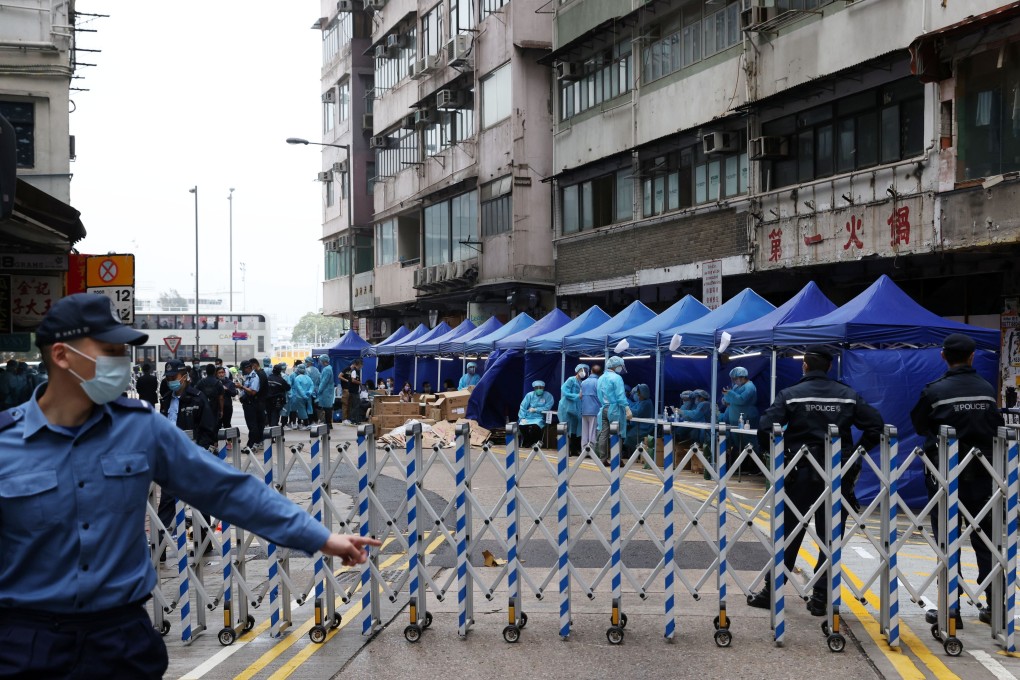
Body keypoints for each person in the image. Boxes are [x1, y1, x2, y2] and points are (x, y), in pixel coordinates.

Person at [0, 294, 380, 677]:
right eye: (108, 350)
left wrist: (319, 537)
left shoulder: (140, 428)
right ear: (62, 356)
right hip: (28, 644)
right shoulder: (6, 444)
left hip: (119, 641)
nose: (120, 361)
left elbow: (226, 489)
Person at [747, 345, 883, 615]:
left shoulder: (790, 395)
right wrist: (853, 455)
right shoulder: (847, 396)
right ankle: (822, 597)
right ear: (829, 367)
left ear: (805, 366)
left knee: (788, 532)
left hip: (800, 472)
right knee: (830, 536)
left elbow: (766, 427)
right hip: (836, 474)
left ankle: (772, 592)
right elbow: (876, 426)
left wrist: (780, 456)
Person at [910, 333, 1004, 625]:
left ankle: (951, 610)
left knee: (947, 541)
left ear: (943, 356)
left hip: (946, 477)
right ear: (972, 356)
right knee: (987, 540)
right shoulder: (987, 390)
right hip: (984, 476)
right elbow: (996, 426)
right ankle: (994, 606)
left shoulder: (935, 392)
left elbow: (920, 424)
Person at [157, 359, 219, 559]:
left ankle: (203, 544)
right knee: (166, 503)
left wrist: (197, 454)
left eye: (173, 377)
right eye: (167, 378)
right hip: (170, 458)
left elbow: (208, 429)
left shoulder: (197, 398)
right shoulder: (166, 399)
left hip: (191, 458)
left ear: (184, 376)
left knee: (199, 501)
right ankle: (160, 549)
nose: (170, 381)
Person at [596, 356, 631, 464]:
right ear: (616, 366)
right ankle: (617, 459)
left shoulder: (601, 378)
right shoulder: (617, 378)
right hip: (615, 410)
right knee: (617, 434)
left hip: (603, 409)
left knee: (603, 434)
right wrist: (627, 408)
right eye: (620, 366)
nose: (621, 368)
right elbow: (620, 396)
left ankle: (602, 459)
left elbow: (599, 394)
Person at [721, 366, 759, 455]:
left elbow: (741, 400)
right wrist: (725, 398)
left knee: (749, 442)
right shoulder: (736, 387)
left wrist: (729, 393)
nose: (734, 381)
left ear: (742, 377)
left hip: (747, 418)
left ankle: (755, 464)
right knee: (738, 443)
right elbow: (730, 400)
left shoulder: (750, 387)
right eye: (733, 379)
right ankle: (742, 465)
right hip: (735, 418)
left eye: (735, 379)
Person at [558, 363, 588, 456]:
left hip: (576, 408)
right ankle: (566, 450)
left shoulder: (582, 382)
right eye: (582, 370)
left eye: (586, 371)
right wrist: (576, 396)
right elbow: (565, 391)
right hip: (566, 406)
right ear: (577, 371)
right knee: (566, 429)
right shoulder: (571, 379)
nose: (584, 372)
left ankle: (574, 450)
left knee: (575, 430)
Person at [518, 380, 554, 449]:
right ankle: (527, 442)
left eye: (541, 387)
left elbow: (547, 407)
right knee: (522, 426)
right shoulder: (529, 395)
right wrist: (522, 418)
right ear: (534, 388)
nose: (539, 389)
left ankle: (535, 443)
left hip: (539, 417)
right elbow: (523, 406)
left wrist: (536, 409)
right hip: (528, 417)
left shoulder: (548, 396)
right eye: (537, 387)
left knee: (536, 427)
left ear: (543, 388)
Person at [237, 359, 263, 450]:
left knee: (252, 425)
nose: (243, 371)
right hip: (247, 404)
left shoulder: (254, 377)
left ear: (248, 368)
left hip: (251, 404)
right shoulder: (248, 376)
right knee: (251, 425)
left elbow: (253, 392)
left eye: (243, 369)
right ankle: (253, 443)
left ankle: (251, 444)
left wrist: (241, 387)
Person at [624, 383, 654, 454]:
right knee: (626, 431)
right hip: (639, 425)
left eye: (638, 393)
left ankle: (634, 453)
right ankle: (630, 452)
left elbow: (637, 412)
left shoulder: (647, 403)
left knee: (629, 436)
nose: (637, 395)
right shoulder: (641, 402)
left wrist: (627, 409)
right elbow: (633, 405)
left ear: (643, 393)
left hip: (645, 427)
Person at [580, 364, 601, 453]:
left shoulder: (583, 382)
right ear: (600, 373)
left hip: (584, 409)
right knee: (593, 432)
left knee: (584, 432)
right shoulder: (599, 382)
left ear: (591, 371)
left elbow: (580, 396)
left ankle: (584, 450)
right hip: (595, 410)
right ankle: (591, 451)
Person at [266, 363, 292, 428]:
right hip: (277, 401)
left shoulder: (268, 378)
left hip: (267, 400)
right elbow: (288, 388)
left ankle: (270, 427)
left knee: (269, 414)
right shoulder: (281, 380)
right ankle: (273, 431)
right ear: (280, 371)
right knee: (275, 416)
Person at [290, 364, 316, 429]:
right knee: (307, 409)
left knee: (301, 410)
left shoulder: (297, 378)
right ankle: (305, 423)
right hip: (307, 397)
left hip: (299, 397)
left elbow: (299, 388)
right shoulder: (308, 377)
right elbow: (312, 386)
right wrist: (309, 393)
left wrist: (303, 395)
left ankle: (305, 424)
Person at [315, 354, 335, 431]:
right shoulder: (328, 368)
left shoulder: (327, 369)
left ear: (323, 361)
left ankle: (328, 424)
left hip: (326, 391)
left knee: (327, 408)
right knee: (327, 408)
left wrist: (319, 390)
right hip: (328, 391)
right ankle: (328, 423)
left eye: (320, 360)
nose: (319, 362)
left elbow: (324, 382)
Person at [217, 364, 238, 430]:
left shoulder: (230, 382)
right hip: (217, 407)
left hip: (227, 406)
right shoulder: (215, 382)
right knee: (217, 425)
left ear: (225, 373)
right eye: (219, 373)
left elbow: (234, 394)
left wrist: (227, 389)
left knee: (227, 424)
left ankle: (229, 440)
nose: (221, 374)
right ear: (216, 374)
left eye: (222, 372)